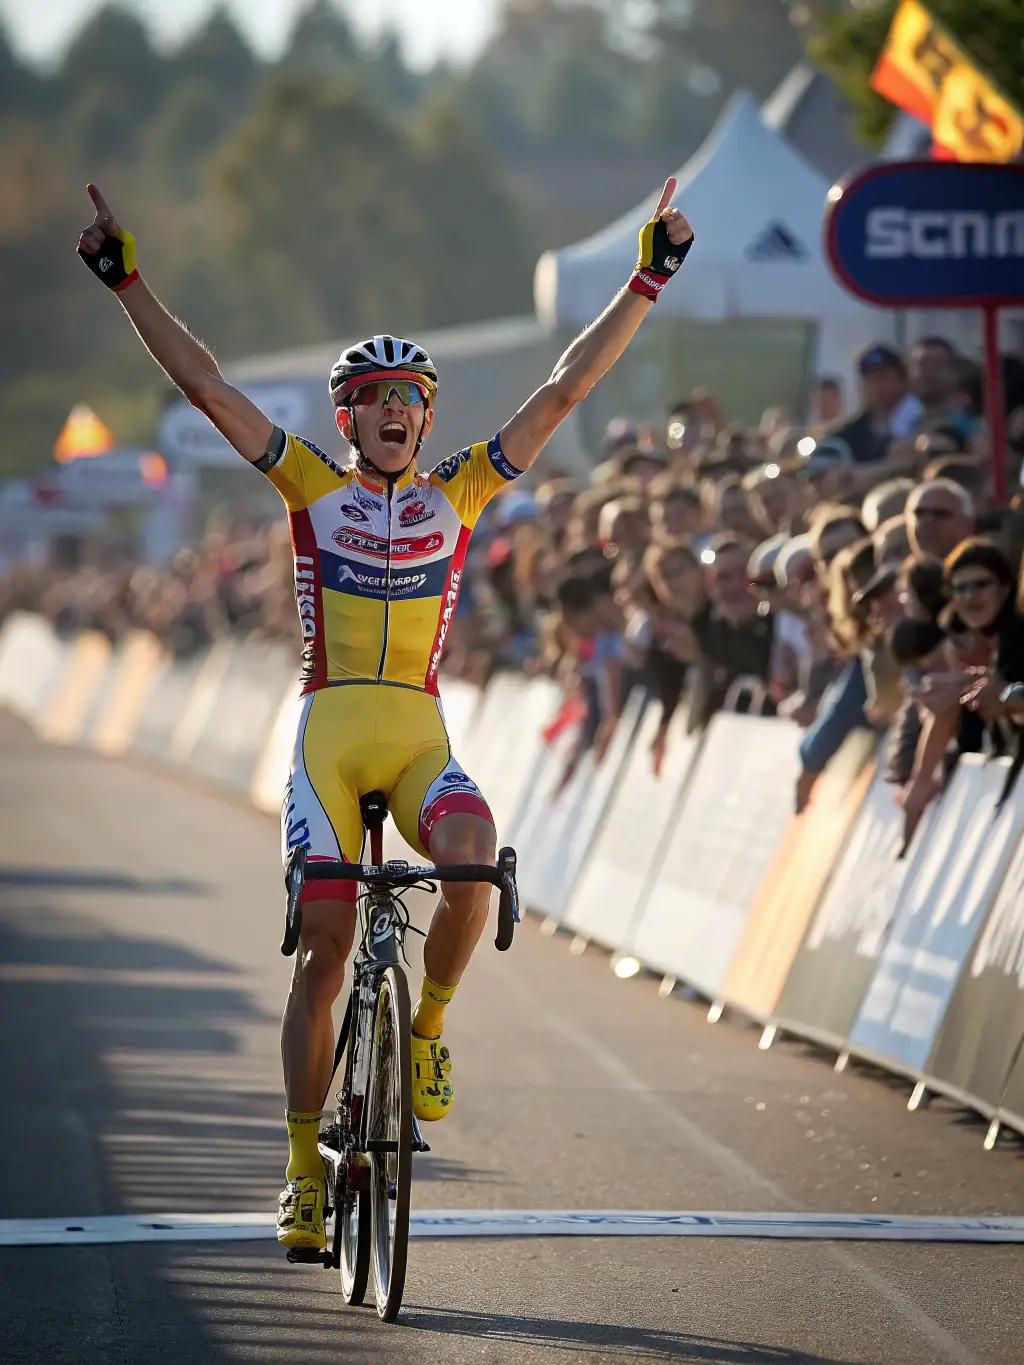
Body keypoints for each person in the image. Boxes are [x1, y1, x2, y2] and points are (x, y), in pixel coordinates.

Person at [76, 177, 695, 1250]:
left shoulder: (460, 490)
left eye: (412, 395)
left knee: (471, 857)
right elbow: (209, 385)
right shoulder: (310, 482)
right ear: (348, 418)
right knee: (323, 947)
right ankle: (300, 1168)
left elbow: (560, 391)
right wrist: (129, 281)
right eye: (377, 397)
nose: (397, 408)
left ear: (428, 415)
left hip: (415, 733)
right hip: (327, 735)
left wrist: (647, 278)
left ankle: (433, 1024)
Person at [905, 479, 974, 559]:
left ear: (966, 526)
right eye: (919, 513)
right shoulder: (899, 571)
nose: (928, 520)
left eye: (940, 513)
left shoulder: (984, 569)